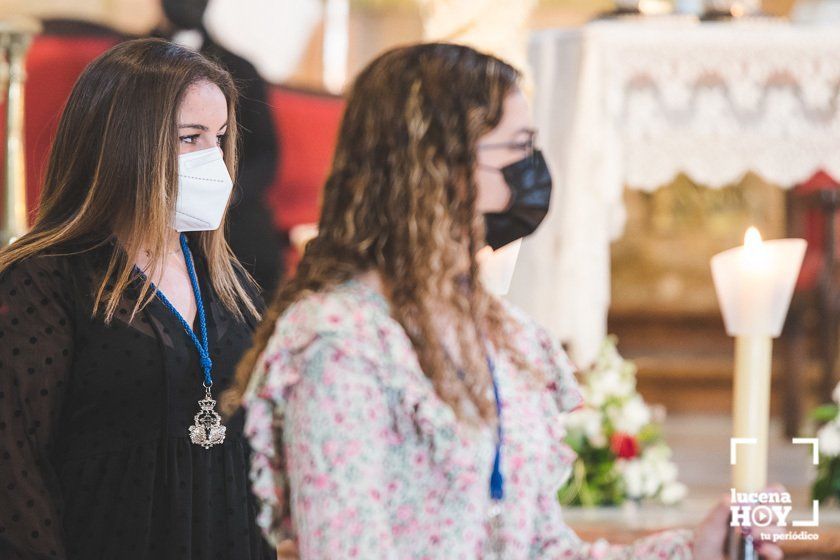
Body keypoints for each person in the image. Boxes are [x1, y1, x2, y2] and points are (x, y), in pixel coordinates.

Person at [229, 43, 785, 559]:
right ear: (436, 165)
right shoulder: (341, 343)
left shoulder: (506, 336)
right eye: (517, 148)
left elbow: (541, 548)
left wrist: (695, 548)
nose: (534, 170)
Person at [0, 38, 274, 560]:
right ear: (123, 144)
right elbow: (14, 472)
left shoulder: (225, 278)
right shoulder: (43, 280)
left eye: (218, 138)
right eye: (190, 138)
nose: (212, 161)